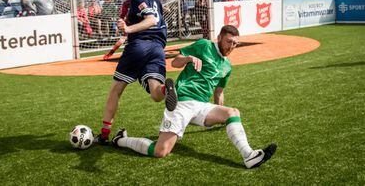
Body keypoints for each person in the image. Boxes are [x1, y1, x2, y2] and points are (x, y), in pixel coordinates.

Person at [111, 25, 277, 169]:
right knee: (160, 151)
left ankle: (249, 155)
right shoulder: (204, 45)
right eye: (228, 41)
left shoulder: (227, 66)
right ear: (219, 38)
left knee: (232, 113)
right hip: (181, 100)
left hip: (202, 106)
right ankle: (121, 140)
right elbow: (175, 63)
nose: (231, 46)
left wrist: (221, 117)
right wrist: (189, 58)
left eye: (235, 43)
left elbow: (218, 92)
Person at [94, 0, 177, 145]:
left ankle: (104, 134)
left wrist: (128, 30)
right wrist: (127, 25)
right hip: (158, 48)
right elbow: (158, 21)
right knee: (155, 93)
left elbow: (151, 20)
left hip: (140, 45)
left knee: (116, 90)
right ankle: (166, 90)